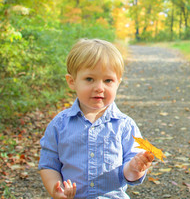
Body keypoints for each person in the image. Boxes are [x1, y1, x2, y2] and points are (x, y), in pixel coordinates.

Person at [38, 39, 154, 198]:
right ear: (72, 82)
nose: (99, 87)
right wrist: (56, 190)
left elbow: (130, 175)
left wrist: (136, 168)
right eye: (89, 79)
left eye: (108, 80)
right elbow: (48, 165)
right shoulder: (59, 125)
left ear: (117, 83)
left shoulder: (125, 126)